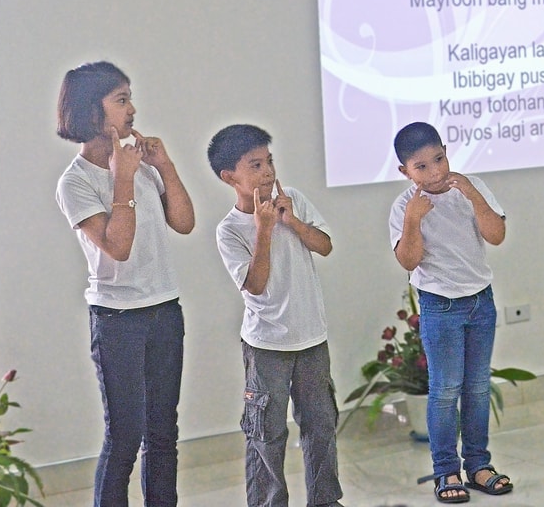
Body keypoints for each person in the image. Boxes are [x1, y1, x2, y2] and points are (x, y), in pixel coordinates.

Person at [55, 61, 195, 506]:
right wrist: (123, 179)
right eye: (120, 99)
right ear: (91, 112)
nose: (132, 109)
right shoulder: (74, 183)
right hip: (117, 319)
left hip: (164, 309)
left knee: (162, 433)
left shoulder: (141, 165)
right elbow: (118, 246)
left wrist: (165, 165)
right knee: (125, 436)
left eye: (129, 98)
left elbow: (185, 223)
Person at [208, 124, 344, 507]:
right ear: (229, 177)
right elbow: (256, 285)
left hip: (312, 337)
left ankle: (326, 500)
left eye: (269, 161)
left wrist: (292, 222)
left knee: (321, 426)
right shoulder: (229, 230)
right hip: (267, 345)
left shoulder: (293, 199)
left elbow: (325, 245)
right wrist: (264, 230)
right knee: (266, 432)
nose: (267, 171)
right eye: (255, 165)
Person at [389, 122, 512, 503]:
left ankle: (478, 465)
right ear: (406, 172)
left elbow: (496, 235)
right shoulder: (403, 207)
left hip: (480, 300)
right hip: (439, 305)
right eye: (421, 167)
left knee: (477, 388)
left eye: (439, 159)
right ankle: (447, 471)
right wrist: (413, 219)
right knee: (444, 392)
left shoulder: (469, 187)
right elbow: (408, 259)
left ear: (446, 151)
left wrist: (472, 194)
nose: (436, 171)